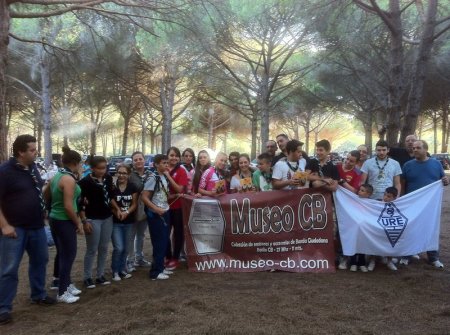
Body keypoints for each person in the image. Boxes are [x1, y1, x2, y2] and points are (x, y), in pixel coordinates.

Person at [0, 135, 56, 325]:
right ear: (20, 152)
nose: (36, 152)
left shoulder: (32, 168)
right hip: (14, 228)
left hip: (37, 226)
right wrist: (5, 225)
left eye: (36, 149)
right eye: (32, 150)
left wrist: (48, 192)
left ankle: (38, 295)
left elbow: (38, 191)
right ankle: (3, 308)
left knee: (41, 260)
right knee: (9, 268)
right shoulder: (5, 172)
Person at [400, 140, 449, 268]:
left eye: (418, 148)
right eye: (414, 148)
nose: (414, 149)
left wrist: (445, 180)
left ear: (425, 149)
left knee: (431, 228)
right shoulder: (408, 165)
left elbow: (443, 180)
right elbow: (403, 184)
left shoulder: (436, 164)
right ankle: (407, 255)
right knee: (409, 228)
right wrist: (404, 200)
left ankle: (433, 257)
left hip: (430, 205)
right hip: (412, 203)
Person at [46, 146, 83, 303]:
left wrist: (53, 207)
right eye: (81, 164)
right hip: (64, 220)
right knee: (69, 255)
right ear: (76, 163)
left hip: (55, 218)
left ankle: (66, 284)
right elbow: (68, 206)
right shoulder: (68, 179)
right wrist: (78, 223)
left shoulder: (57, 176)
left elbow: (45, 192)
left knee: (63, 253)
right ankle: (62, 292)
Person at [79, 156, 114, 288]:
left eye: (104, 168)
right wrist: (84, 220)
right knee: (92, 249)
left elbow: (110, 196)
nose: (102, 171)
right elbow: (80, 203)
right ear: (92, 168)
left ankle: (100, 275)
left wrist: (116, 210)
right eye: (99, 168)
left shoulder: (108, 178)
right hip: (93, 218)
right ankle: (87, 277)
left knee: (104, 247)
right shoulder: (85, 182)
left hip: (107, 217)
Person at [141, 154, 178, 280]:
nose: (166, 165)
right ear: (156, 164)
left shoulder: (164, 177)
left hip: (165, 211)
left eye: (167, 163)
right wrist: (156, 209)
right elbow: (144, 197)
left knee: (164, 241)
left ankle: (161, 267)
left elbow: (162, 195)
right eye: (163, 163)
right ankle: (155, 272)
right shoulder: (153, 177)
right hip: (156, 215)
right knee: (159, 242)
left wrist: (175, 195)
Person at [111, 164, 138, 281]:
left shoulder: (132, 187)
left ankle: (122, 269)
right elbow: (110, 203)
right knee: (119, 247)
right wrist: (117, 211)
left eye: (124, 173)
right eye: (119, 172)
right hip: (115, 222)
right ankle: (115, 271)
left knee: (126, 248)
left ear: (129, 174)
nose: (121, 175)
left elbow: (135, 204)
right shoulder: (112, 187)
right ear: (116, 173)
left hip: (129, 221)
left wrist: (126, 212)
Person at [128, 151, 153, 270]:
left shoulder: (150, 174)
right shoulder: (129, 175)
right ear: (132, 162)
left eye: (140, 159)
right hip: (132, 209)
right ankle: (129, 260)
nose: (138, 161)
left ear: (144, 160)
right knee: (130, 235)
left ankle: (139, 257)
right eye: (135, 159)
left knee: (141, 235)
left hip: (145, 209)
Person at [165, 147, 188, 270]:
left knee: (178, 233)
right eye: (171, 155)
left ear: (179, 158)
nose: (173, 158)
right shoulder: (162, 168)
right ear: (167, 156)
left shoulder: (181, 171)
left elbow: (180, 189)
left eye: (176, 156)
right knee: (165, 233)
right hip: (164, 207)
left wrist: (168, 176)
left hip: (178, 207)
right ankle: (167, 256)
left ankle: (175, 258)